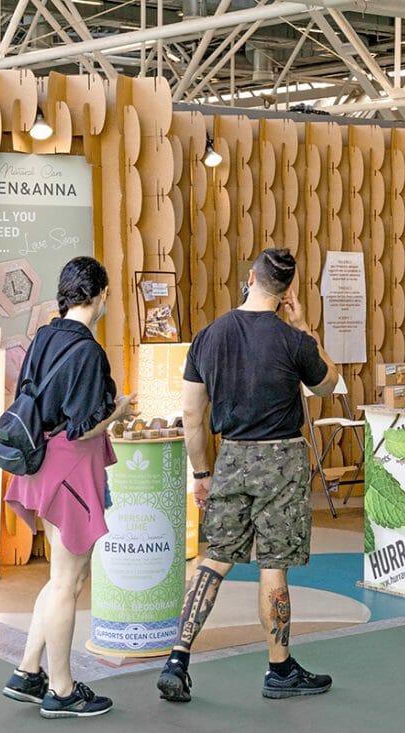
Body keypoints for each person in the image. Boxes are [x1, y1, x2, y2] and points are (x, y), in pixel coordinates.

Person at [157, 248, 339, 703]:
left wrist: (202, 472)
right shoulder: (293, 340)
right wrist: (303, 328)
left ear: (250, 278)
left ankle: (178, 658)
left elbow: (191, 415)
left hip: (233, 458)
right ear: (287, 291)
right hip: (283, 460)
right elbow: (327, 384)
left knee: (214, 558)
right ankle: (279, 670)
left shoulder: (208, 337)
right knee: (272, 565)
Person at [2, 256, 138, 719]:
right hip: (71, 470)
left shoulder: (43, 335)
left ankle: (26, 671)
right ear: (100, 296)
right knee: (67, 583)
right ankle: (61, 689)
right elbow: (83, 429)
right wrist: (119, 412)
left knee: (62, 577)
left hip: (39, 465)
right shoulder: (88, 352)